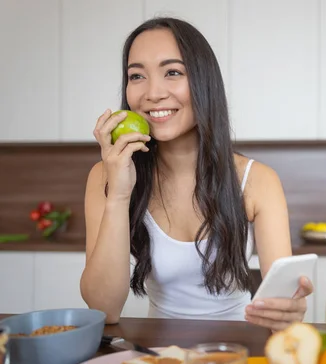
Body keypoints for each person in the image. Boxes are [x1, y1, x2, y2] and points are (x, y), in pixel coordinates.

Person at [80, 17, 313, 331]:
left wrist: (289, 309)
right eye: (137, 75)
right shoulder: (106, 176)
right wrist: (119, 195)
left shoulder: (258, 181)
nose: (153, 93)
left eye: (172, 72)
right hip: (157, 354)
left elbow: (282, 300)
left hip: (237, 347)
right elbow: (103, 309)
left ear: (203, 81)